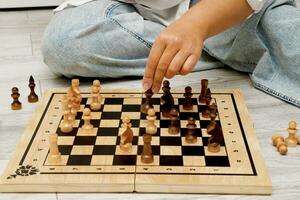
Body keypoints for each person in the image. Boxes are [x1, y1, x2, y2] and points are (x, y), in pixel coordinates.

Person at [41, 0, 300, 107]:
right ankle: (191, 47)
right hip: (124, 8)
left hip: (224, 7)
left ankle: (192, 43)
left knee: (290, 40)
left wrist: (198, 24)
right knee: (64, 42)